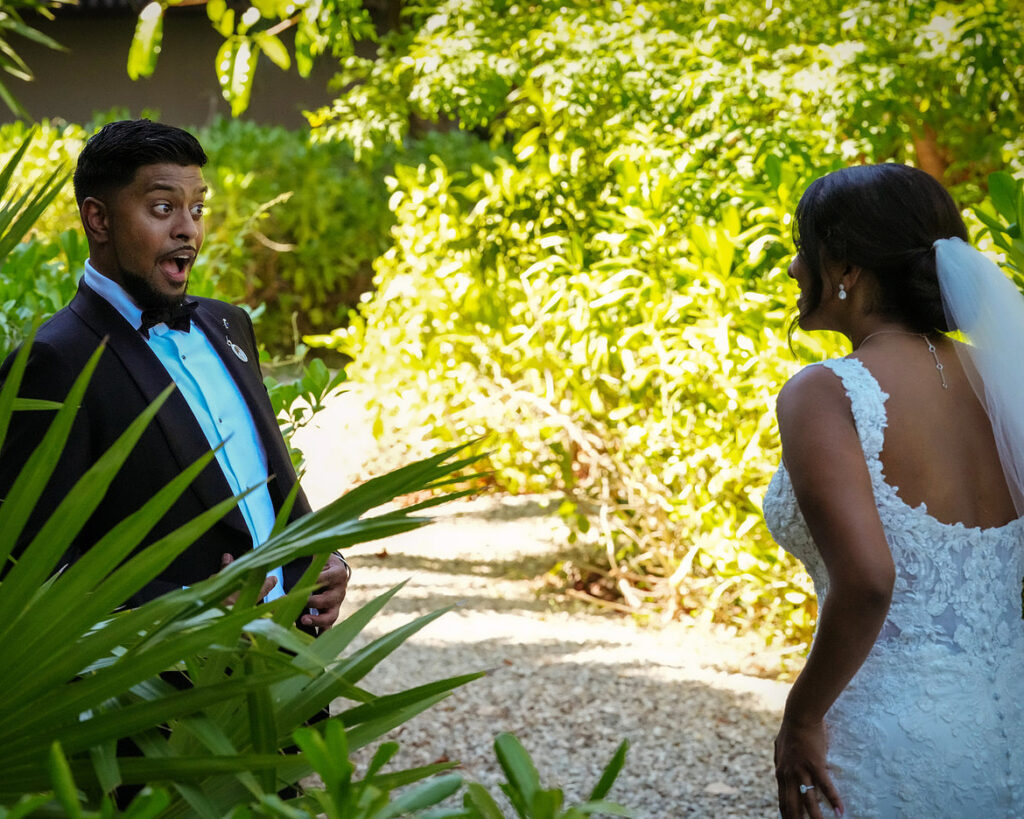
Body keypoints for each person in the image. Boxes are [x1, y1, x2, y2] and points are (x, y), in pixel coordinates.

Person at [0, 119, 349, 629]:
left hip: (291, 662)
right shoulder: (53, 361)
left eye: (197, 208)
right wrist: (184, 608)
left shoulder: (228, 323)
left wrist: (325, 560)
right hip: (162, 690)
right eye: (163, 208)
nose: (188, 227)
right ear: (98, 220)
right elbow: (30, 564)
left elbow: (265, 476)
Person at [762, 163, 1024, 817]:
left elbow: (870, 579)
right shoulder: (1000, 383)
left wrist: (800, 717)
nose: (796, 268)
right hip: (1013, 721)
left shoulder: (824, 391)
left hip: (893, 735)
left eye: (804, 249)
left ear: (846, 268)